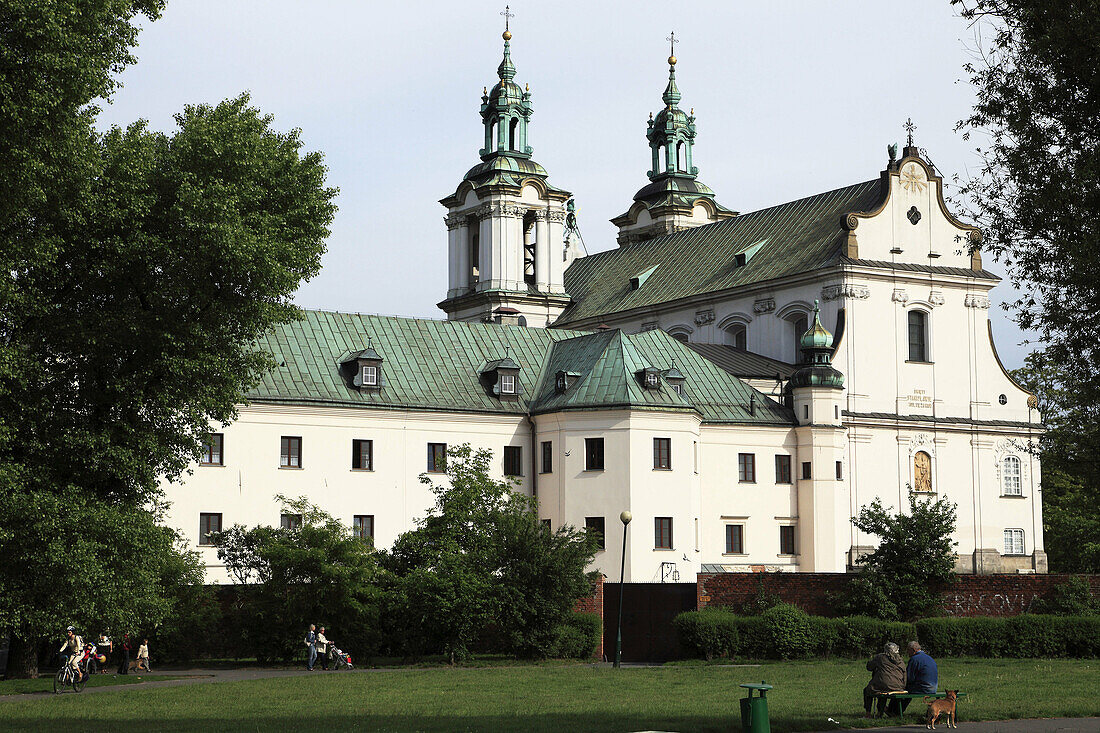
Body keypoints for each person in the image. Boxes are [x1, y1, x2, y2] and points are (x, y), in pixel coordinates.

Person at [863, 642, 906, 717]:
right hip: (899, 686)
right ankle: (881, 711)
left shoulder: (880, 657)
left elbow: (869, 667)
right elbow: (904, 673)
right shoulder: (901, 660)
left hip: (884, 685)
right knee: (883, 688)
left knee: (868, 690)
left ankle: (868, 714)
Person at [900, 641, 938, 712]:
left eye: (908, 650)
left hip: (923, 688)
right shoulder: (929, 658)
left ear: (913, 650)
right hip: (933, 688)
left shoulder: (914, 659)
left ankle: (894, 711)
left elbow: (909, 677)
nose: (907, 653)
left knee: (901, 691)